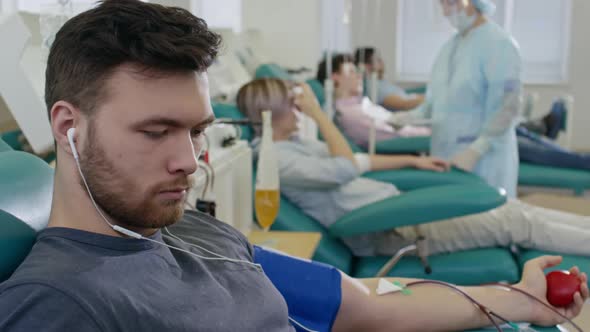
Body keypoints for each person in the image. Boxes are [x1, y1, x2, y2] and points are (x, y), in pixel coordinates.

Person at [0, 1, 587, 331]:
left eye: (199, 130)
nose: (191, 160)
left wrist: (515, 297)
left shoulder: (194, 230)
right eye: (155, 132)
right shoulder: (59, 304)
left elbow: (366, 308)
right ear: (67, 127)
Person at [237, 77, 590, 260]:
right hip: (387, 231)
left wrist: (412, 159)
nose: (301, 111)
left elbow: (358, 161)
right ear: (275, 112)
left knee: (512, 209)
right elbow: (346, 166)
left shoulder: (292, 143)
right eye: (295, 105)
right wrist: (318, 115)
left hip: (394, 212)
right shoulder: (277, 160)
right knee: (517, 223)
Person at [389, 0, 522, 197]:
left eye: (451, 2)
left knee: (488, 222)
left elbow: (507, 107)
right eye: (442, 4)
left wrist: (477, 149)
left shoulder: (500, 44)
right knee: (452, 221)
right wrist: (409, 117)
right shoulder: (449, 48)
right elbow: (435, 102)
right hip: (445, 153)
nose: (445, 12)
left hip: (484, 160)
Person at [317, 54, 430, 149]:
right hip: (416, 140)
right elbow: (396, 135)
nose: (359, 76)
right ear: (335, 77)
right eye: (352, 72)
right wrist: (434, 133)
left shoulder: (361, 104)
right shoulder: (351, 114)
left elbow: (393, 123)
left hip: (414, 128)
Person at [353, 47, 425, 112]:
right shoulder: (375, 87)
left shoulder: (381, 82)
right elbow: (404, 105)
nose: (382, 62)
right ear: (367, 65)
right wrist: (430, 100)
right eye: (378, 60)